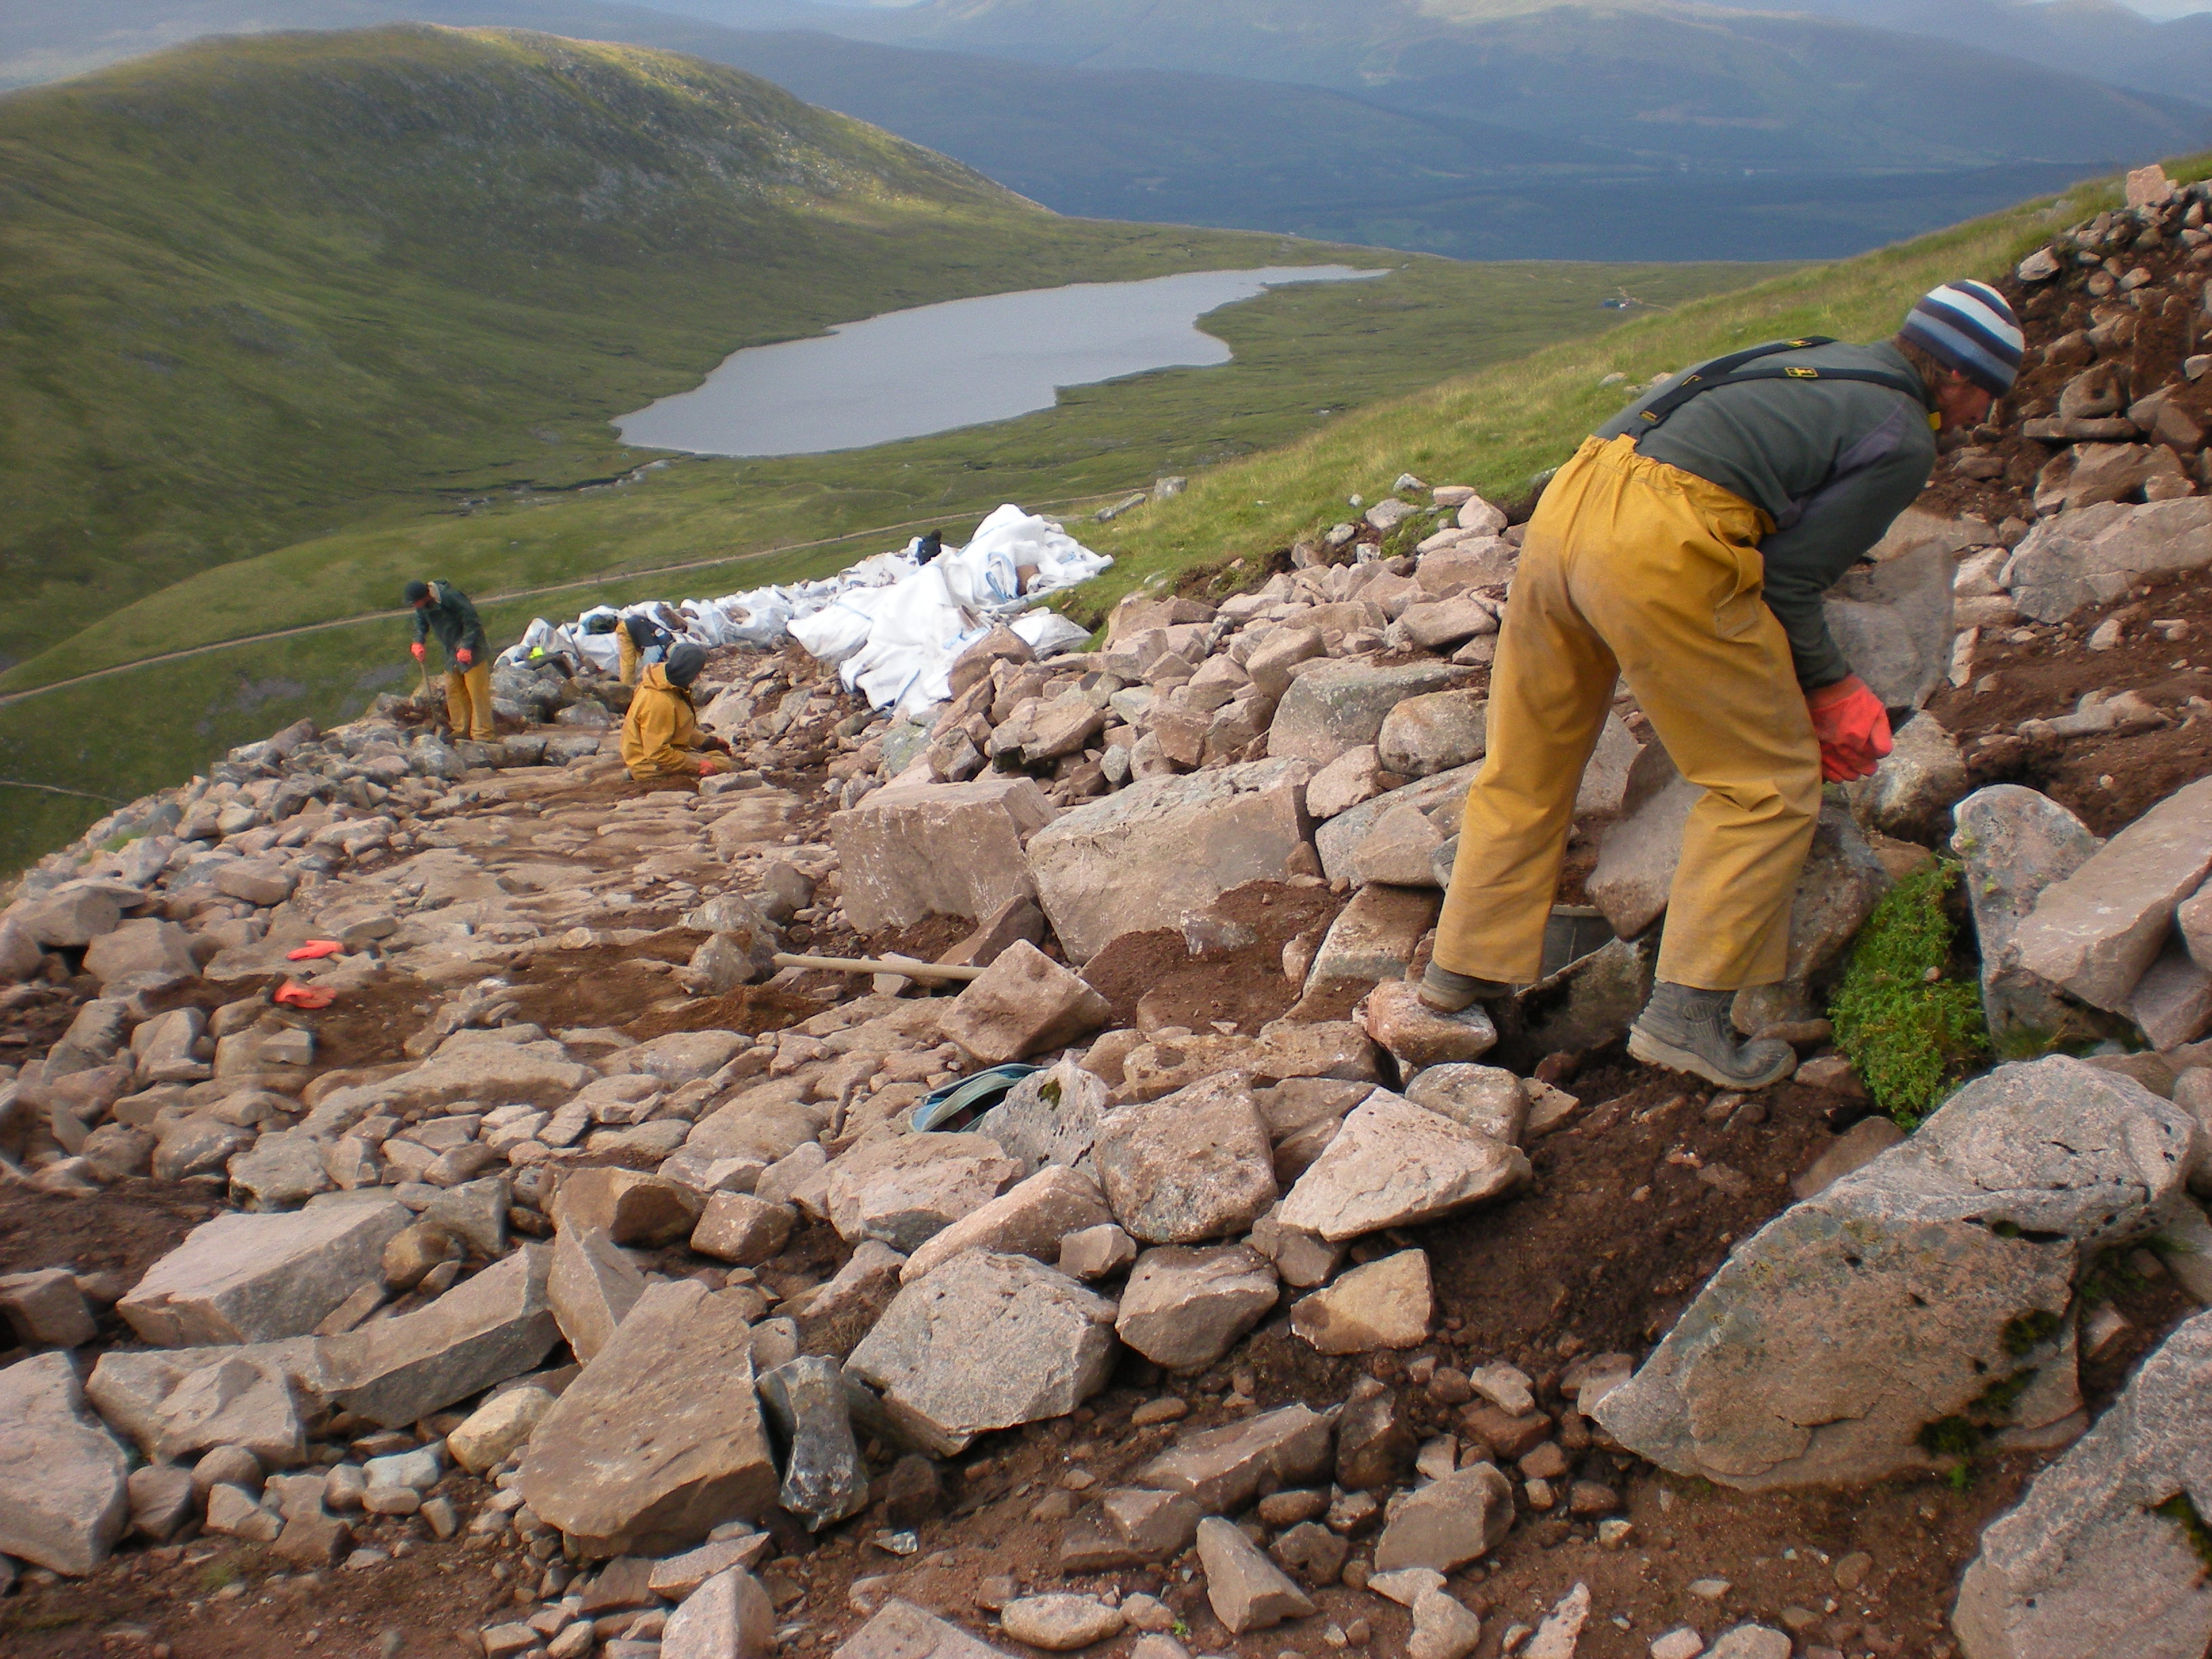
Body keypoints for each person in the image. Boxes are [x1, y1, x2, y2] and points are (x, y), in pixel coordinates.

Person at [1421, 281, 2022, 1090]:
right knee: (1766, 784)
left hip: (1569, 506)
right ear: (1960, 379)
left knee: (1530, 762)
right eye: (1992, 395)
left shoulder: (1825, 357)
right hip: (1656, 540)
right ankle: (1684, 1020)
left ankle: (1461, 971)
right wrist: (1832, 689)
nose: (1988, 415)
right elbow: (1788, 581)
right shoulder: (1905, 432)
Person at [621, 642, 734, 781]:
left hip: (657, 753)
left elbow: (677, 728)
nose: (698, 678)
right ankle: (644, 774)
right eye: (697, 672)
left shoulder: (664, 682)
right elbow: (657, 753)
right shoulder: (660, 701)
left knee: (717, 754)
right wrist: (698, 765)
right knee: (724, 764)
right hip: (650, 763)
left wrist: (708, 741)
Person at [405, 579, 494, 743]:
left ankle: (483, 735)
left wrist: (467, 647)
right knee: (454, 690)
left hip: (473, 650)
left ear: (425, 596)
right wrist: (418, 642)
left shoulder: (450, 597)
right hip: (451, 651)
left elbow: (472, 622)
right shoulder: (423, 607)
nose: (415, 606)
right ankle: (461, 729)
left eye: (415, 602)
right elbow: (421, 623)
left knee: (477, 693)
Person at [617, 612, 672, 687]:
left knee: (648, 676)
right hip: (664, 641)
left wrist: (625, 685)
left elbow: (628, 663)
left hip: (655, 644)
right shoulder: (637, 621)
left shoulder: (623, 630)